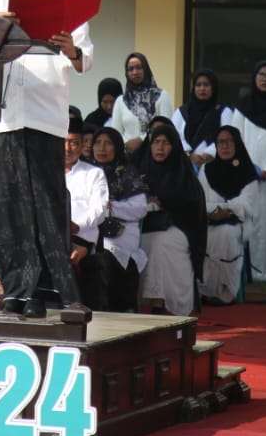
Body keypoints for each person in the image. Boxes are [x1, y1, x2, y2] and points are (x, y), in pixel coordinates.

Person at [0, 0, 91, 318]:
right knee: (6, 205)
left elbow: (85, 58)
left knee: (45, 202)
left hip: (44, 113)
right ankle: (16, 290)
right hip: (2, 114)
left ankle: (55, 290)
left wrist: (70, 48)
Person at [228, 60, 266, 283]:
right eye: (260, 74)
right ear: (254, 78)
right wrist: (248, 168)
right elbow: (234, 139)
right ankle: (251, 273)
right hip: (247, 175)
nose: (264, 78)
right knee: (250, 221)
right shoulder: (243, 107)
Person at [136, 123, 206, 315]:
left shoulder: (183, 172)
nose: (160, 147)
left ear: (174, 146)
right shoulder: (139, 169)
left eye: (166, 143)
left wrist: (165, 201)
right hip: (143, 226)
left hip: (179, 226)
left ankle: (164, 303)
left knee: (160, 244)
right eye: (156, 142)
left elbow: (193, 209)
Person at [90, 127, 149, 312]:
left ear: (117, 147)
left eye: (108, 143)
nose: (102, 148)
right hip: (89, 228)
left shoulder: (127, 173)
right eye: (97, 143)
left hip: (121, 231)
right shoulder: (86, 171)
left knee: (108, 257)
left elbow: (140, 209)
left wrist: (110, 207)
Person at [199, 125, 257, 304]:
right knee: (203, 236)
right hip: (209, 219)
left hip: (238, 221)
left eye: (229, 141)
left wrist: (227, 210)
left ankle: (225, 291)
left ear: (237, 143)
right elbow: (200, 200)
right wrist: (215, 212)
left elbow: (248, 203)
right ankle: (207, 289)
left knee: (225, 234)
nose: (224, 146)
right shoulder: (206, 170)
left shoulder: (248, 171)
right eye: (220, 142)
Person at [63, 117, 109, 311]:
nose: (68, 148)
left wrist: (76, 226)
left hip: (82, 241)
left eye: (74, 143)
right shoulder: (47, 173)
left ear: (83, 146)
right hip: (53, 239)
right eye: (64, 142)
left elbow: (100, 209)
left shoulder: (94, 173)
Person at [110, 53, 174, 151]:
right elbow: (115, 132)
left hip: (154, 153)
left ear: (146, 69)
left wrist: (142, 140)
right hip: (127, 154)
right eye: (130, 69)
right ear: (127, 73)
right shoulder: (121, 101)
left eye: (139, 68)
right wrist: (126, 143)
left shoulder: (161, 96)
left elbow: (166, 128)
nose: (135, 72)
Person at [171, 68, 227, 168]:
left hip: (215, 165)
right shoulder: (182, 112)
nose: (202, 88)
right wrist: (189, 155)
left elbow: (227, 136)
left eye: (206, 85)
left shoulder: (223, 112)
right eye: (198, 85)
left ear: (213, 88)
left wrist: (210, 153)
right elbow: (173, 136)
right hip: (185, 165)